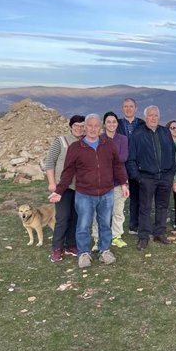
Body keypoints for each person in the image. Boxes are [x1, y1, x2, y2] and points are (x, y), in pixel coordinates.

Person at [49, 114, 129, 268]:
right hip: (84, 194)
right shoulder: (76, 148)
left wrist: (124, 184)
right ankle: (84, 253)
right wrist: (59, 190)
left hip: (106, 193)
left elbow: (117, 165)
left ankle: (104, 250)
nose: (93, 129)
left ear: (101, 128)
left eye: (96, 126)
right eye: (89, 126)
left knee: (105, 224)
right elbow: (68, 172)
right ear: (85, 128)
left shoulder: (109, 144)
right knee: (83, 225)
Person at [126, 105, 176, 250]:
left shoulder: (165, 132)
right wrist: (137, 177)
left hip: (165, 176)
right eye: (150, 115)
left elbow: (172, 153)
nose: (153, 118)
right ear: (145, 117)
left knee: (162, 206)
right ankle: (143, 236)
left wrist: (171, 171)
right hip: (146, 177)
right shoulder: (138, 134)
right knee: (145, 207)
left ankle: (159, 232)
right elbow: (131, 159)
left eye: (155, 115)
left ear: (159, 117)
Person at [43, 115, 85, 263]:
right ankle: (57, 248)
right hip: (63, 186)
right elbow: (50, 163)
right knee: (62, 217)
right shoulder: (61, 141)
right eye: (76, 126)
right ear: (71, 127)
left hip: (80, 187)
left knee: (75, 217)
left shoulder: (86, 141)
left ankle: (71, 245)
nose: (79, 129)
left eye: (82, 126)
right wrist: (52, 183)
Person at [90, 112, 129, 251]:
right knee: (99, 212)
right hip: (101, 181)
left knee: (118, 211)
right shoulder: (98, 138)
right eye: (108, 122)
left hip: (119, 180)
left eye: (114, 121)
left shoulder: (123, 139)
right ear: (104, 124)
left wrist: (107, 158)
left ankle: (116, 236)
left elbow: (123, 157)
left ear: (117, 124)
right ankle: (97, 238)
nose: (111, 124)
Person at [116, 98, 145, 235]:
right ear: (122, 109)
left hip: (138, 165)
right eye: (125, 106)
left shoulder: (142, 124)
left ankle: (135, 225)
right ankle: (114, 227)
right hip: (121, 164)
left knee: (137, 197)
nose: (128, 109)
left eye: (131, 106)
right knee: (118, 197)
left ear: (136, 108)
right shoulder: (117, 124)